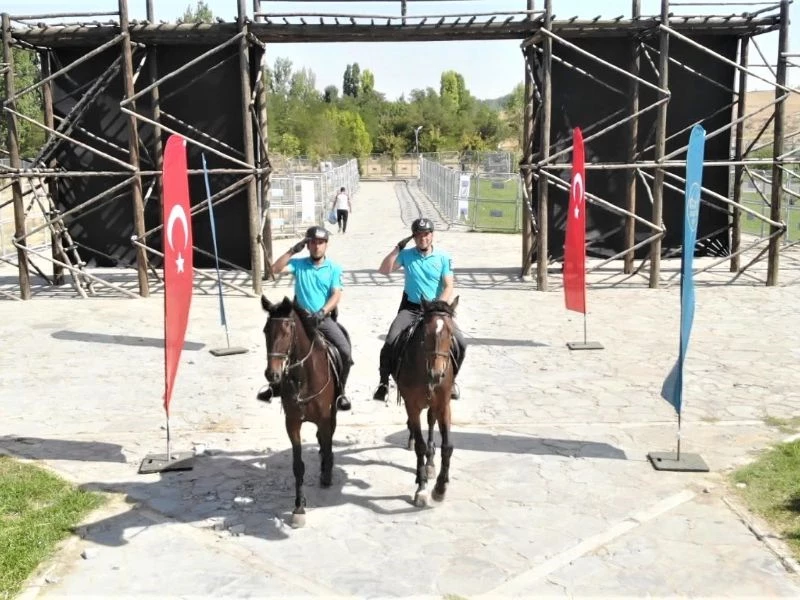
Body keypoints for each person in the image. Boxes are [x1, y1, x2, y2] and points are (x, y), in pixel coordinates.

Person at [256, 226, 353, 411]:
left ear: (326, 245)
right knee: (279, 342)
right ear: (307, 245)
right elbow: (273, 270)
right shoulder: (298, 264)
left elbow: (336, 295)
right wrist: (293, 250)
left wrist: (322, 312)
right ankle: (275, 385)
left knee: (345, 352)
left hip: (322, 318)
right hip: (299, 318)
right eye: (313, 242)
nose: (317, 246)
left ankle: (340, 392)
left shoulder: (333, 268)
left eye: (321, 243)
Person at [373, 217, 466, 402]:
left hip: (435, 310)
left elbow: (448, 286)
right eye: (419, 235)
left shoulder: (443, 258)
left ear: (432, 235)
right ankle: (383, 383)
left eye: (426, 234)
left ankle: (452, 380)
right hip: (411, 308)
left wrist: (436, 307)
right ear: (414, 237)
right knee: (391, 340)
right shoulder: (407, 255)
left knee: (460, 342)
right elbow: (384, 270)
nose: (423, 238)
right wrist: (396, 250)